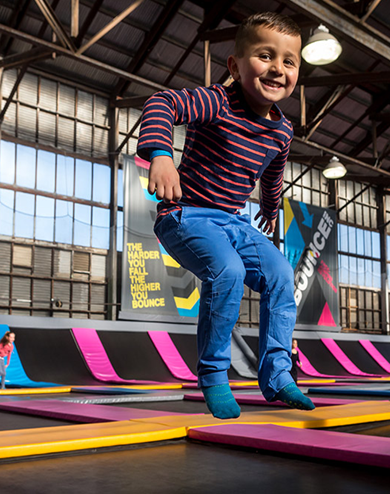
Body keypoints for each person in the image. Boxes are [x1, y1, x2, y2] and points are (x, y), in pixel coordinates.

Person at [137, 12, 313, 419]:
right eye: (265, 56)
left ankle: (277, 374)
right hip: (186, 215)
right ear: (234, 65)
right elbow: (162, 103)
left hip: (234, 221)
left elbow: (273, 173)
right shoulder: (216, 101)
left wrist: (271, 211)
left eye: (289, 62)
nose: (277, 68)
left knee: (282, 276)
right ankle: (215, 375)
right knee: (228, 272)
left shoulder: (282, 131)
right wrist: (161, 156)